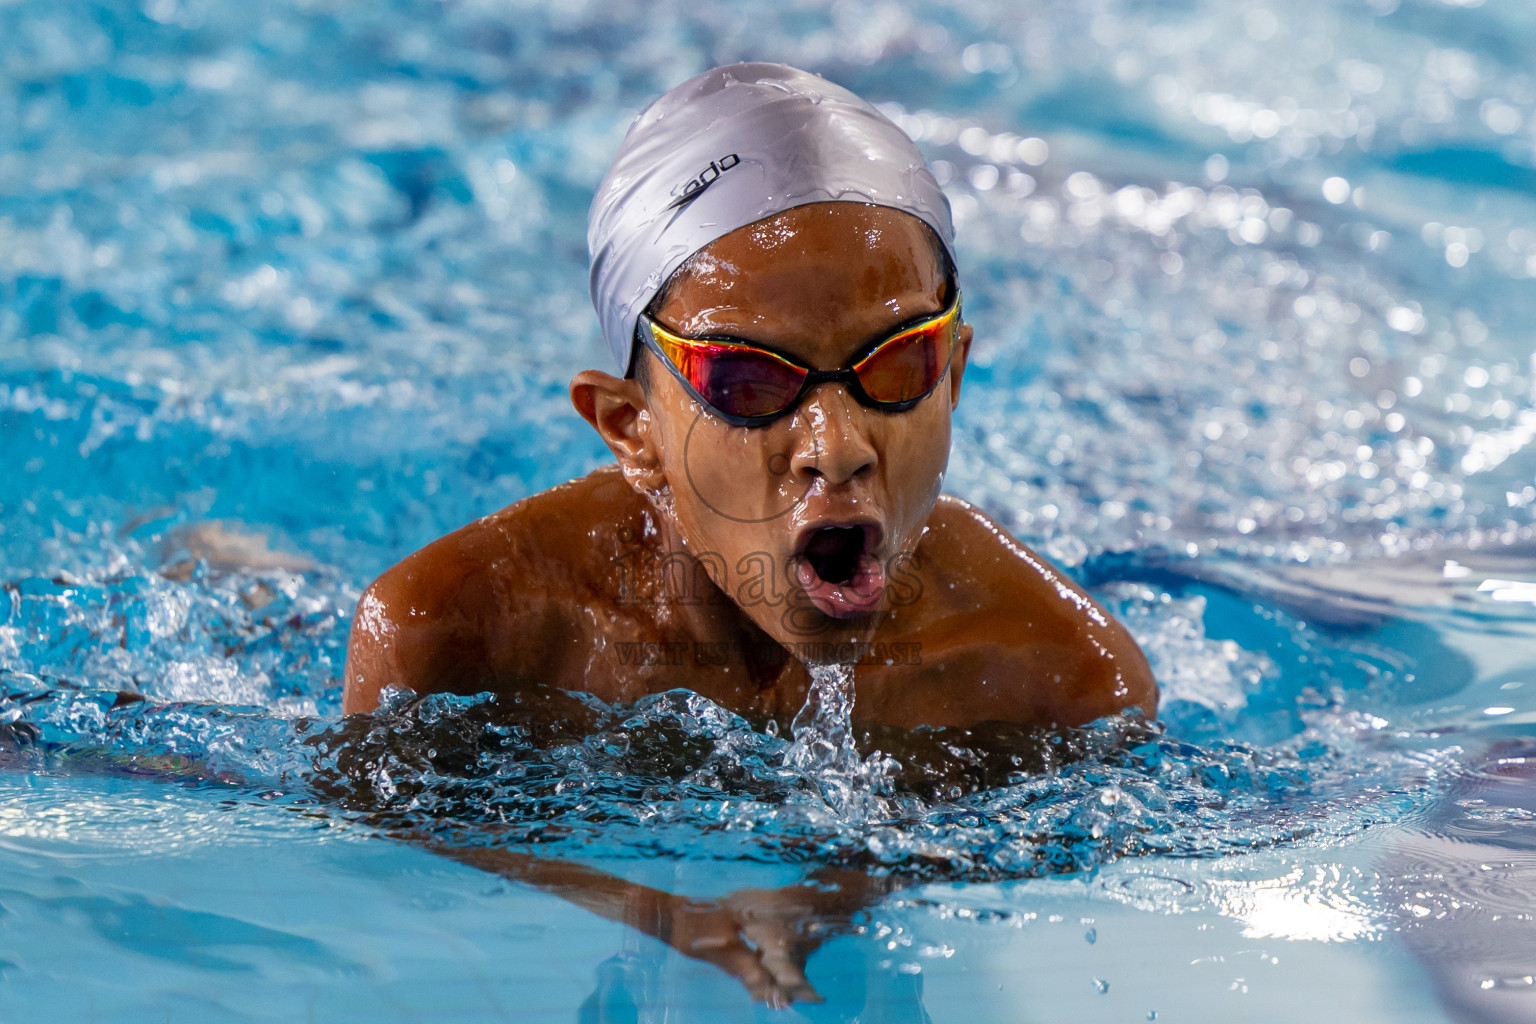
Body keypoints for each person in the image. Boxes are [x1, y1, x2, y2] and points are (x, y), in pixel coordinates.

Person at [342, 63, 1156, 730]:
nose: (836, 446)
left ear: (953, 379)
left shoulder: (1061, 679)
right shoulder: (452, 638)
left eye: (899, 364)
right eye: (747, 381)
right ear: (632, 430)